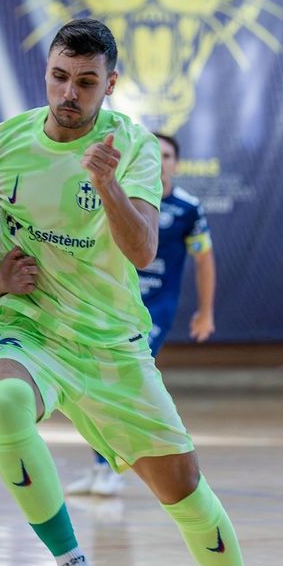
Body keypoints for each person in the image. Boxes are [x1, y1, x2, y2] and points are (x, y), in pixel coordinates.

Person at [0, 19, 283, 566]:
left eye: (86, 82)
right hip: (29, 325)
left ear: (111, 85)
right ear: (46, 73)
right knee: (4, 401)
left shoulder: (133, 148)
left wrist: (105, 186)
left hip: (110, 342)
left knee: (184, 488)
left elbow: (143, 248)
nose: (70, 92)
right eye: (60, 77)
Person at [66, 131, 217, 497]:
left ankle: (111, 470)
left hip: (155, 311)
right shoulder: (128, 199)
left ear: (176, 164)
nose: (162, 161)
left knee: (119, 380)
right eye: (157, 155)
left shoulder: (188, 208)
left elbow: (204, 260)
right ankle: (102, 467)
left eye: (168, 156)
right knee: (98, 379)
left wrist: (205, 312)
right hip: (115, 304)